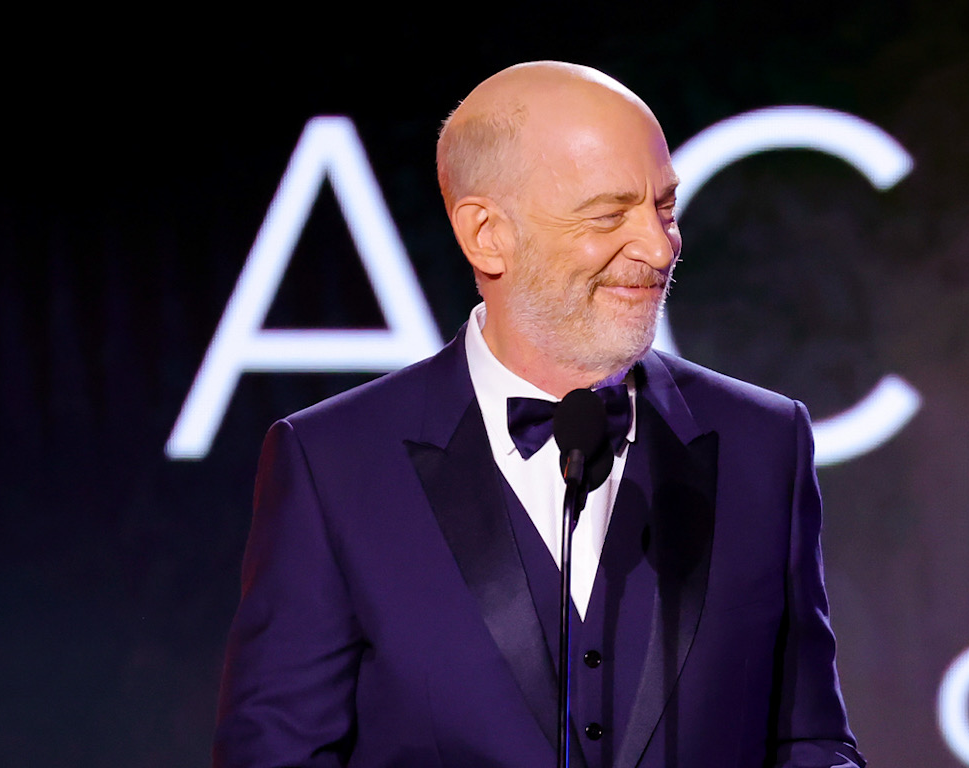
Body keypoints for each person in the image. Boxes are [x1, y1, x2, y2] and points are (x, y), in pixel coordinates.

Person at [213, 61, 865, 768]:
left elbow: (810, 742)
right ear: (487, 234)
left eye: (665, 208)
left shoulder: (763, 443)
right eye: (609, 214)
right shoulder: (333, 464)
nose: (658, 246)